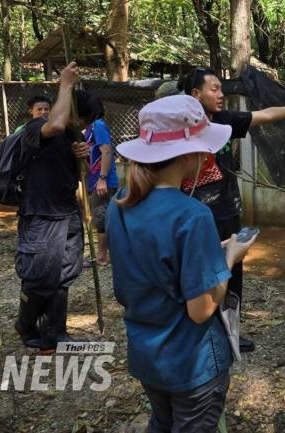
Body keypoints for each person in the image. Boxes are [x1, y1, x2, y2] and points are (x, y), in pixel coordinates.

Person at [107, 95, 255, 431]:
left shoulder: (119, 204)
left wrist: (207, 252)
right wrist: (230, 256)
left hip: (147, 355)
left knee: (162, 419)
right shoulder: (194, 215)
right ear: (189, 154)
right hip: (192, 363)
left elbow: (149, 262)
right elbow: (201, 309)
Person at [179, 67, 285, 353]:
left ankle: (231, 332)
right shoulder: (180, 128)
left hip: (227, 208)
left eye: (221, 88)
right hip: (196, 211)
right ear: (195, 94)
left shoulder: (225, 120)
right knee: (200, 270)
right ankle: (200, 333)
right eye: (214, 89)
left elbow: (265, 115)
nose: (221, 94)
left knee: (233, 273)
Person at [14, 62, 89, 351]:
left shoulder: (70, 135)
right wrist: (65, 84)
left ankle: (55, 331)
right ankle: (26, 323)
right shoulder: (33, 128)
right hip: (41, 214)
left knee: (64, 276)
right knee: (39, 276)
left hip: (67, 213)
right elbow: (54, 124)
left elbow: (71, 172)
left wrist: (80, 154)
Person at [80, 93, 118, 266]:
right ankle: (104, 255)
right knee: (100, 218)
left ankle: (102, 257)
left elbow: (106, 151)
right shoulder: (89, 129)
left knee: (102, 220)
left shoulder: (98, 126)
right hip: (95, 179)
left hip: (103, 181)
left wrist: (102, 179)